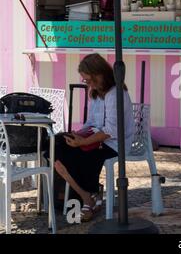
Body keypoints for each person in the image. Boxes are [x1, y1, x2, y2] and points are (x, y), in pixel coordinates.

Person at [50, 53, 134, 222]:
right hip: (97, 137)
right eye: (85, 81)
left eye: (89, 80)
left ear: (100, 74)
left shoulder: (115, 94)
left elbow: (111, 130)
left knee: (83, 154)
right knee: (56, 144)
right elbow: (90, 122)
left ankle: (89, 198)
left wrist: (83, 141)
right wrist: (77, 135)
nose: (88, 84)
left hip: (115, 143)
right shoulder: (96, 94)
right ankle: (87, 195)